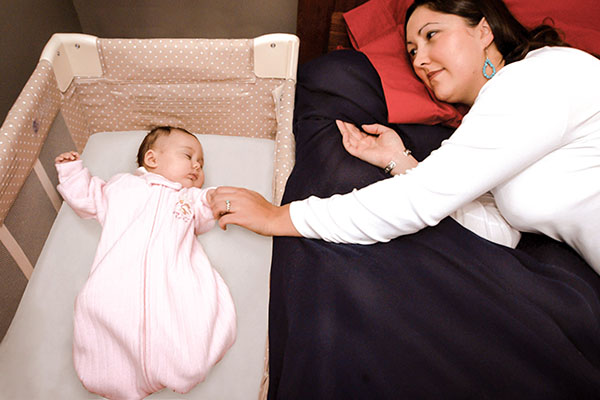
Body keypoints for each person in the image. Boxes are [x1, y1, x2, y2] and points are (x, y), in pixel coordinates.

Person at [208, 0, 600, 398]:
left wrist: (280, 217)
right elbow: (496, 233)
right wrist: (399, 160)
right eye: (412, 51)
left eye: (432, 35)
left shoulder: (539, 77)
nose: (421, 61)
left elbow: (420, 200)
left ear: (484, 30)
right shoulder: (493, 123)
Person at [55, 126, 236, 400]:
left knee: (184, 314)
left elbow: (210, 206)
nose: (197, 165)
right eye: (188, 156)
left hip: (172, 279)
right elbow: (88, 197)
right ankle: (110, 372)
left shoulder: (189, 199)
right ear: (152, 159)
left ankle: (180, 364)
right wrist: (72, 171)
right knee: (99, 307)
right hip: (116, 282)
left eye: (201, 163)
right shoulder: (121, 187)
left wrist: (222, 201)